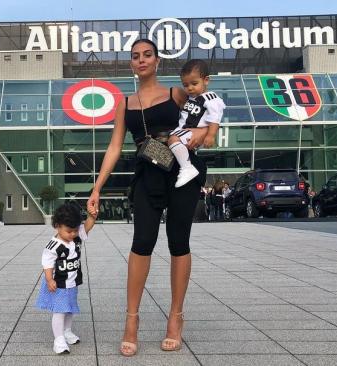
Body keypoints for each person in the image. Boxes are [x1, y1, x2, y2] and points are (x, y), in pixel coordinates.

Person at [87, 39, 208, 357]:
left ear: (157, 62)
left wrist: (199, 136)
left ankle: (175, 317)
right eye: (135, 57)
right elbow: (115, 147)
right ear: (132, 64)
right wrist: (97, 188)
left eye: (147, 55)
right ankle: (132, 320)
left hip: (182, 170)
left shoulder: (176, 94)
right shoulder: (125, 103)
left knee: (178, 241)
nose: (141, 60)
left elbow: (204, 119)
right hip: (148, 172)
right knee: (142, 242)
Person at [35, 202, 97, 354]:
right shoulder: (53, 246)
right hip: (59, 284)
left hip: (72, 282)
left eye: (76, 230)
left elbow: (87, 226)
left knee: (69, 309)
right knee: (60, 311)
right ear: (57, 225)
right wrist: (50, 280)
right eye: (69, 231)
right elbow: (47, 264)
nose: (73, 234)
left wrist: (92, 216)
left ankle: (67, 331)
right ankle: (59, 339)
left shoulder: (75, 237)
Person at [168, 59, 226, 188]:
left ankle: (187, 168)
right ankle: (185, 166)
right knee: (171, 140)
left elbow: (215, 117)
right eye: (186, 85)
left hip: (191, 131)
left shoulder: (210, 98)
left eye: (194, 83)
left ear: (206, 80)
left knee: (172, 140)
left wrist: (210, 135)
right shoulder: (190, 99)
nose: (190, 88)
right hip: (185, 130)